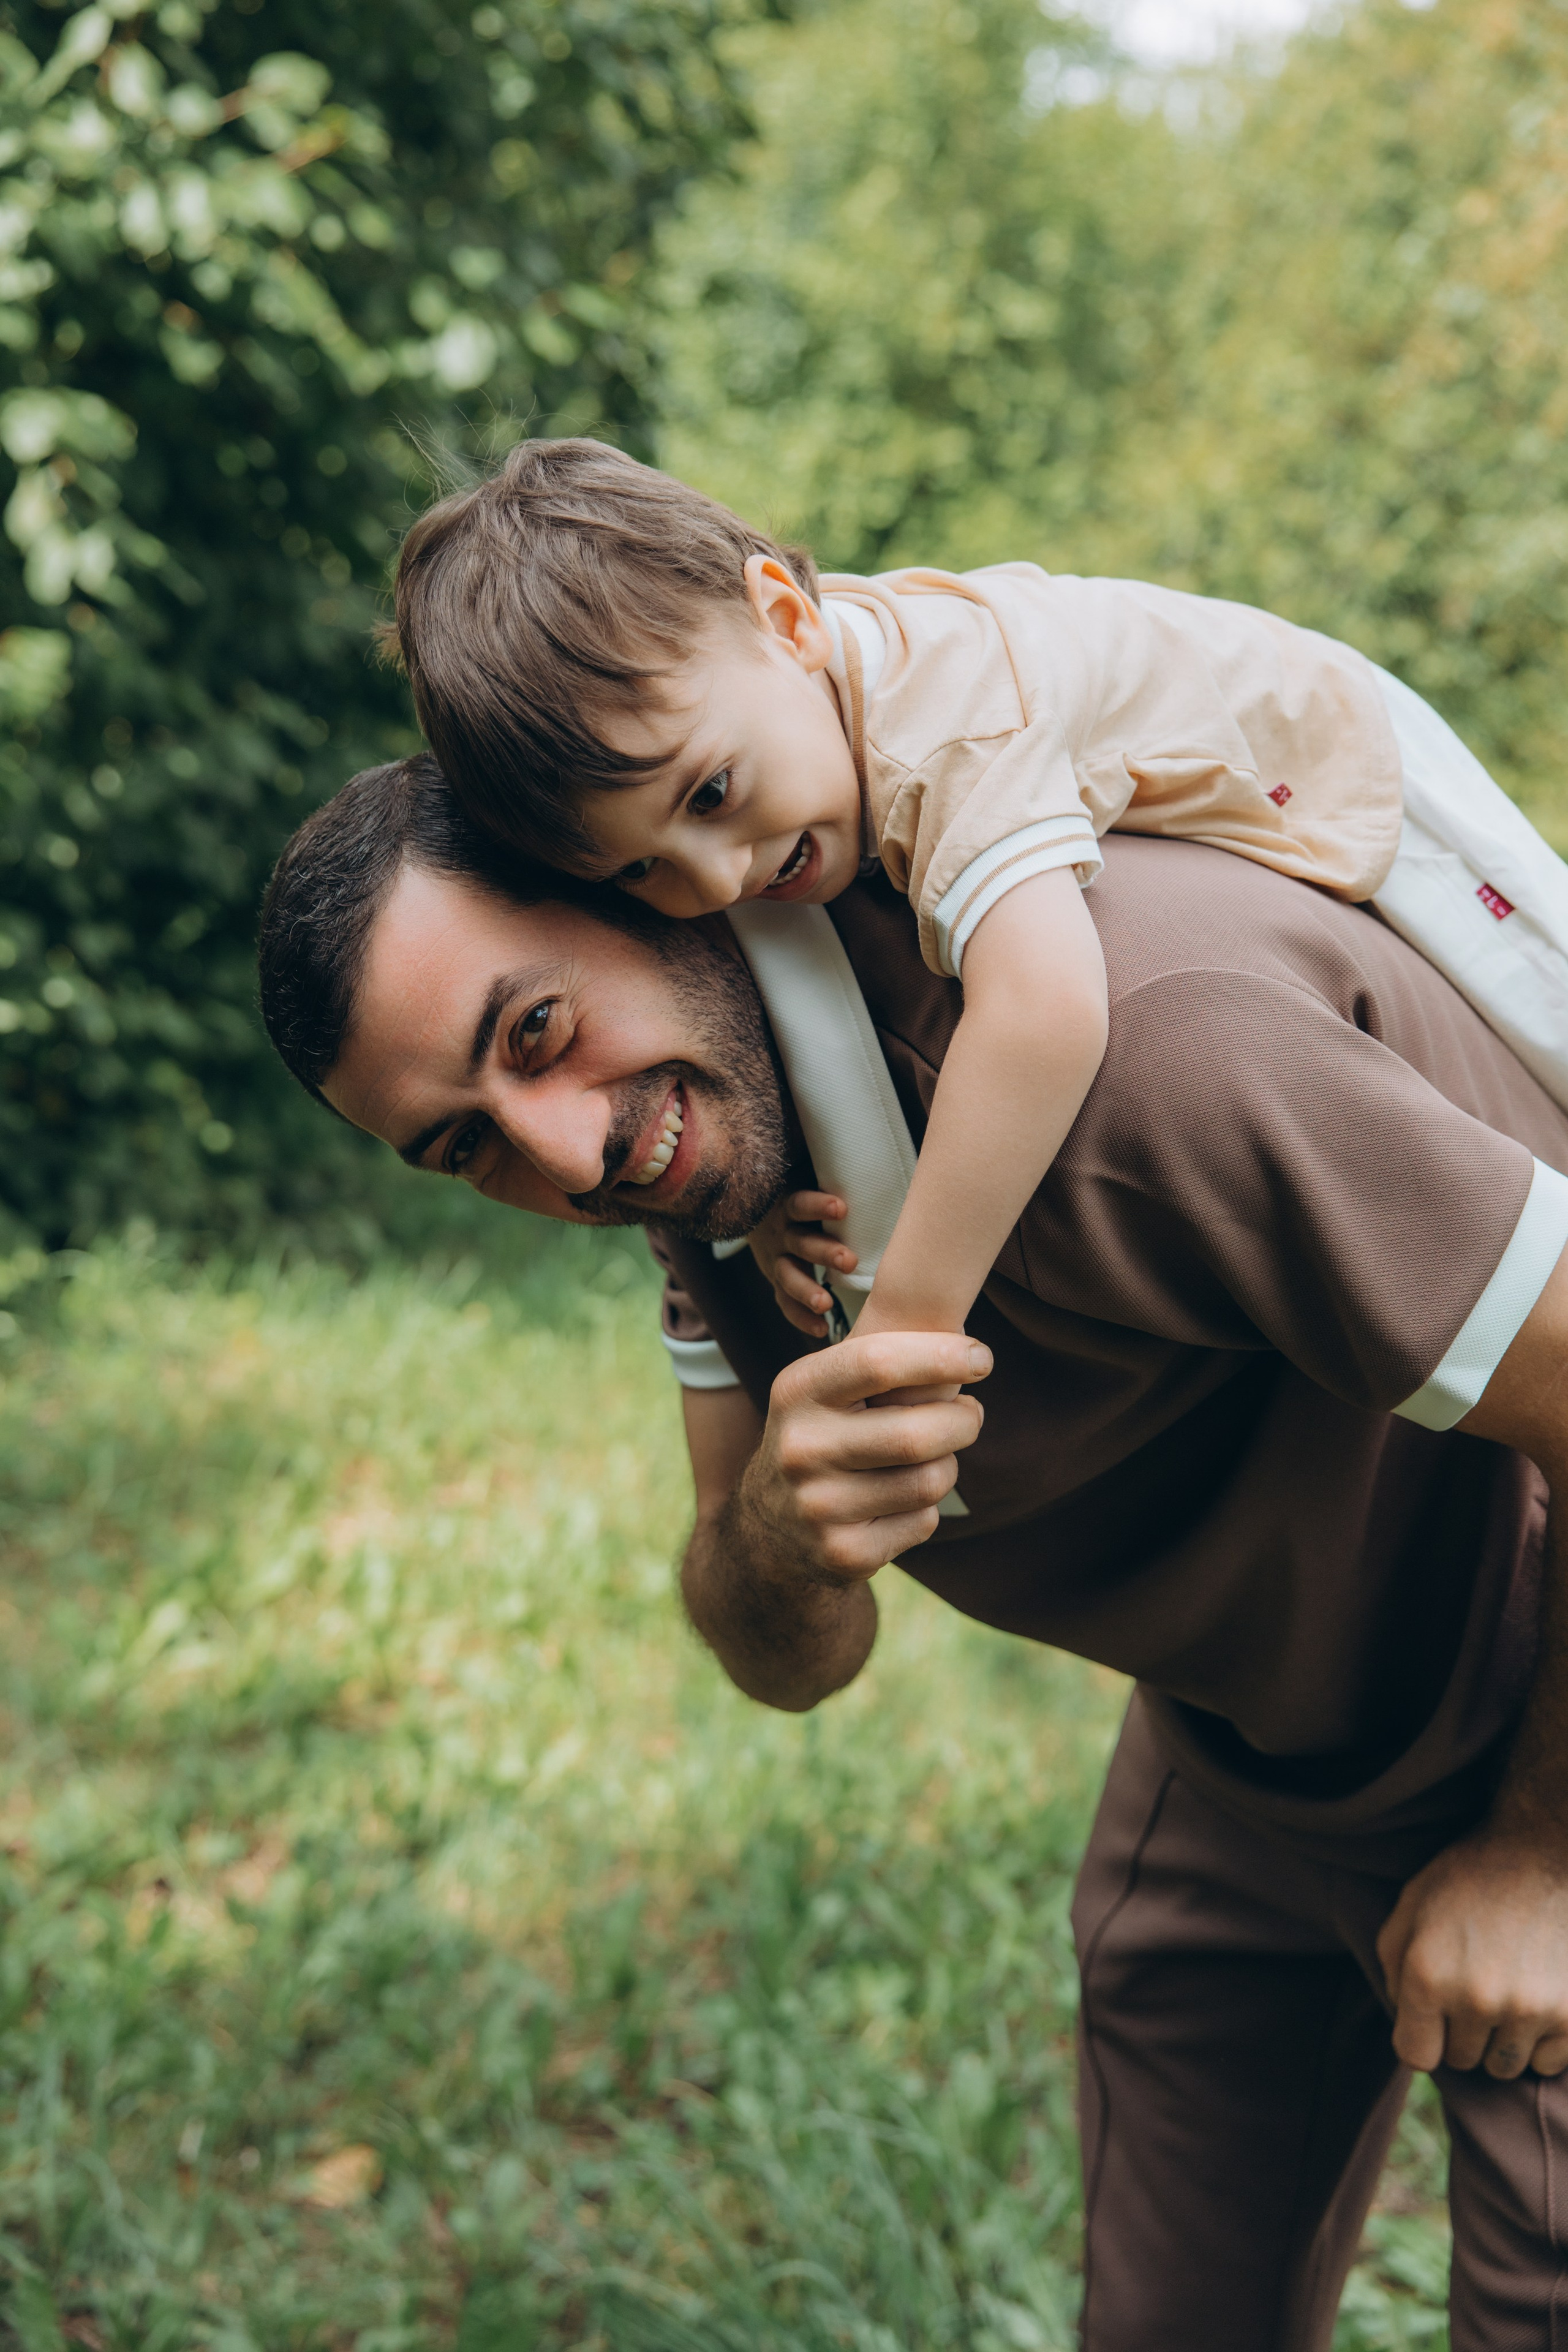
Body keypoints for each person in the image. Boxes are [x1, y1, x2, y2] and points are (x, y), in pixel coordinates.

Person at [261, 751, 1568, 2347]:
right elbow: (782, 1658)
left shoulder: (1148, 1030)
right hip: (1249, 1748)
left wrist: (1543, 1859)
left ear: (631, 878)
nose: (565, 1154)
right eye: (466, 1145)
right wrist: (782, 1539)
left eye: (534, 1034)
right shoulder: (720, 1158)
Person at [383, 438, 1568, 1356]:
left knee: (1545, 1010)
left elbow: (1046, 1014)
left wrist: (912, 1313)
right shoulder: (742, 714)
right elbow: (794, 1005)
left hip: (1335, 761)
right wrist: (765, 1216)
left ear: (790, 621)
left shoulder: (947, 720)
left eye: (713, 796)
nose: (716, 878)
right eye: (640, 870)